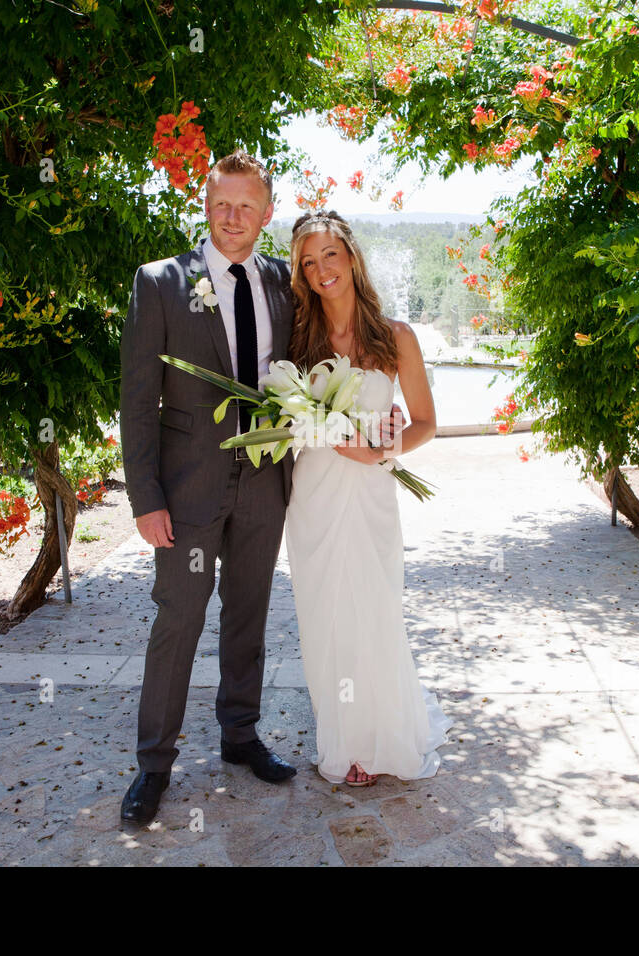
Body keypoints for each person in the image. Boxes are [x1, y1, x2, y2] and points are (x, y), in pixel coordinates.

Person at [118, 151, 298, 825]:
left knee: (248, 615)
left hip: (263, 485)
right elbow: (137, 400)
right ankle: (154, 763)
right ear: (205, 205)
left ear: (266, 214)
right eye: (222, 204)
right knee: (179, 621)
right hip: (187, 493)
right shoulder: (161, 282)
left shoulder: (284, 283)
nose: (233, 217)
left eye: (246, 206)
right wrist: (147, 497)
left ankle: (240, 735)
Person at [284, 210, 454, 787]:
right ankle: (348, 740)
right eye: (309, 262)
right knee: (324, 616)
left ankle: (383, 735)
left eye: (329, 254)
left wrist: (382, 452)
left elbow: (426, 423)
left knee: (374, 610)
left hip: (372, 495)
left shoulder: (395, 336)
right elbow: (284, 418)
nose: (321, 270)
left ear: (352, 256)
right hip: (313, 497)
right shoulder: (298, 337)